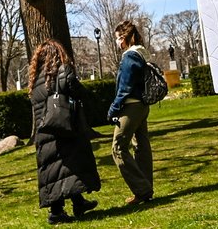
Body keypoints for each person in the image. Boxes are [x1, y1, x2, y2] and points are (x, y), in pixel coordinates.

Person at [28, 40, 99, 225]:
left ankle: (71, 205)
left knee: (54, 170)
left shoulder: (35, 80)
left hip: (44, 132)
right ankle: (60, 211)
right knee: (72, 163)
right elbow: (77, 90)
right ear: (58, 54)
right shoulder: (63, 70)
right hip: (64, 127)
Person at [107, 20, 153, 205]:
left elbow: (125, 88)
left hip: (131, 106)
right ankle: (145, 191)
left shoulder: (130, 56)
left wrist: (113, 109)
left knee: (118, 148)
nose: (117, 43)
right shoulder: (142, 53)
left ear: (125, 38)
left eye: (118, 38)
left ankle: (142, 189)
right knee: (141, 146)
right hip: (142, 106)